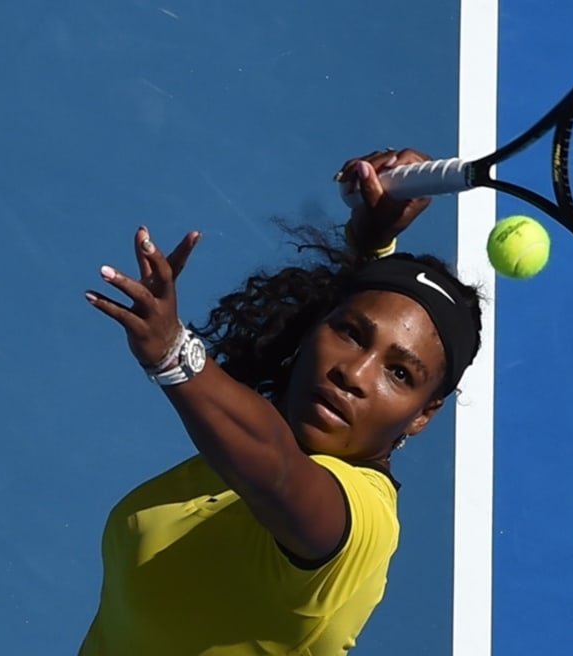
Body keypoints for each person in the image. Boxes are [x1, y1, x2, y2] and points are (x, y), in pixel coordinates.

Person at [79, 148, 483, 655]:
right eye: (350, 334)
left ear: (424, 414)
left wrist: (175, 355)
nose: (353, 374)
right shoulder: (260, 433)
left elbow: (279, 473)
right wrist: (369, 241)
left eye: (399, 374)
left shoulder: (361, 523)